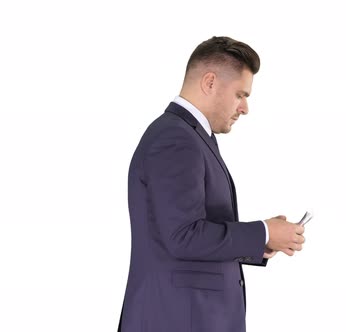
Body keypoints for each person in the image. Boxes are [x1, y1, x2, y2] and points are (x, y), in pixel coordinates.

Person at [118, 36, 306, 332]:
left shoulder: (192, 137)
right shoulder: (176, 139)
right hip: (178, 319)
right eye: (240, 94)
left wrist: (262, 242)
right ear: (210, 82)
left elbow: (190, 230)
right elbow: (183, 236)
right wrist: (263, 231)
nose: (244, 108)